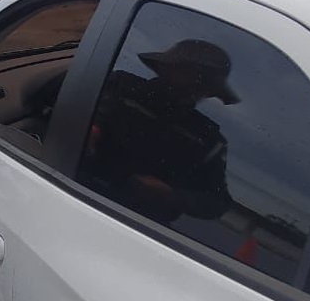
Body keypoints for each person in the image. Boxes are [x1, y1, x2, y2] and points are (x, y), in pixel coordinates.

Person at [81, 38, 236, 225]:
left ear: (211, 91)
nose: (194, 85)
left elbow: (217, 202)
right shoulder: (120, 87)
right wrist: (89, 132)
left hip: (141, 229)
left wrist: (173, 195)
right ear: (165, 68)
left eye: (204, 81)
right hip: (79, 193)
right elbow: (81, 116)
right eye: (189, 73)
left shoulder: (208, 139)